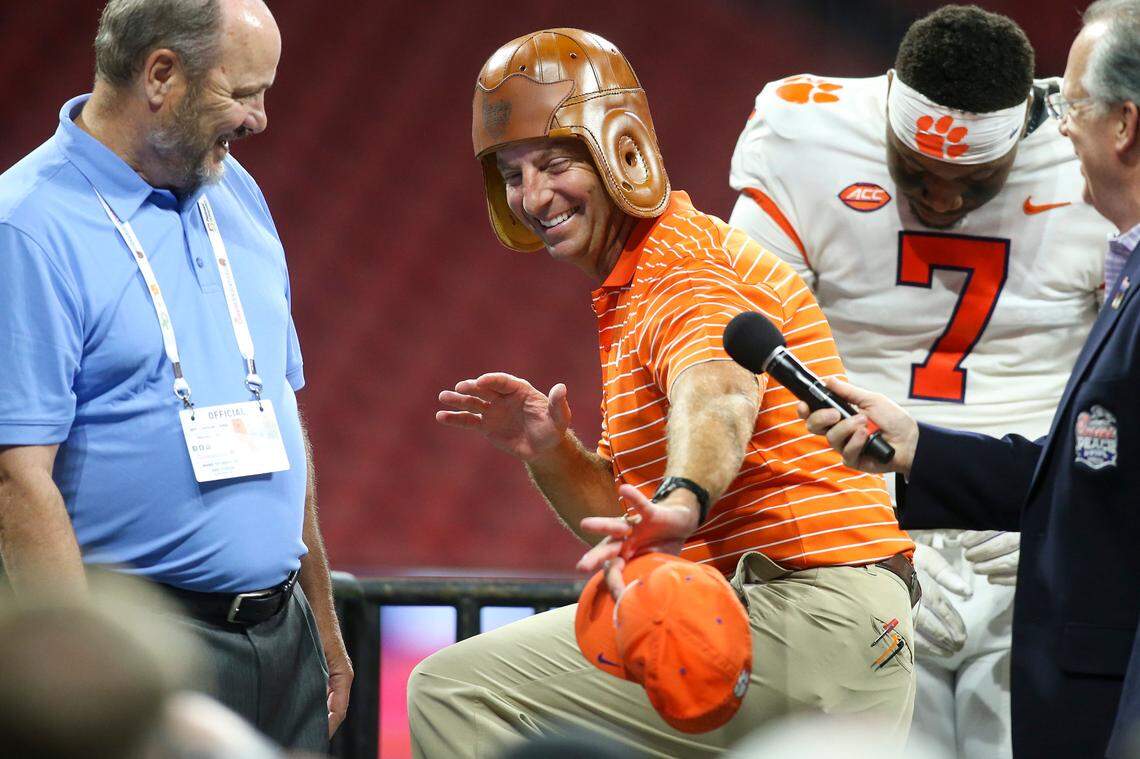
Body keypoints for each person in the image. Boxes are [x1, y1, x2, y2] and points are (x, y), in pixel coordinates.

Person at [415, 27, 920, 757]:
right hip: (839, 627)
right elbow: (632, 524)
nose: (532, 195)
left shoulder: (677, 269)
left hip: (802, 612)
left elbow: (720, 389)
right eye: (513, 172)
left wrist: (684, 500)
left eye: (554, 163)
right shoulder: (638, 285)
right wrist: (549, 448)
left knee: (456, 689)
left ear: (622, 151)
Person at [726, 6, 1111, 757]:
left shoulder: (1089, 148)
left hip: (1030, 512)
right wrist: (854, 529)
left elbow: (1122, 385)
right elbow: (743, 367)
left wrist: (1071, 520)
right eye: (917, 171)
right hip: (855, 519)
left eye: (972, 181)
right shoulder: (808, 136)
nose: (940, 198)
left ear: (1032, 132)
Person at [0, 0, 351, 750]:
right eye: (244, 91)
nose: (259, 118)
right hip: (146, 648)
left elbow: (280, 411)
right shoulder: (25, 226)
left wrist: (321, 618)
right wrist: (85, 687)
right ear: (161, 74)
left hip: (283, 640)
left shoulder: (237, 193)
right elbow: (16, 479)